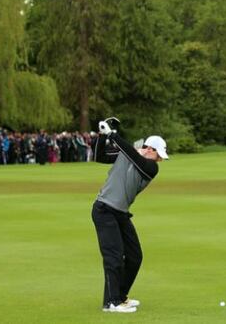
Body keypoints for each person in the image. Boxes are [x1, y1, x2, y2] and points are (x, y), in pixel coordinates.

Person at [91, 118, 168, 313]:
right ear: (150, 149)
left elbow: (134, 156)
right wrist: (102, 135)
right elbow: (99, 156)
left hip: (121, 213)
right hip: (104, 210)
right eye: (158, 154)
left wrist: (113, 135)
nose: (160, 159)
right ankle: (111, 302)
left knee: (135, 256)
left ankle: (119, 296)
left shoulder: (151, 168)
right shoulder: (126, 154)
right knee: (114, 256)